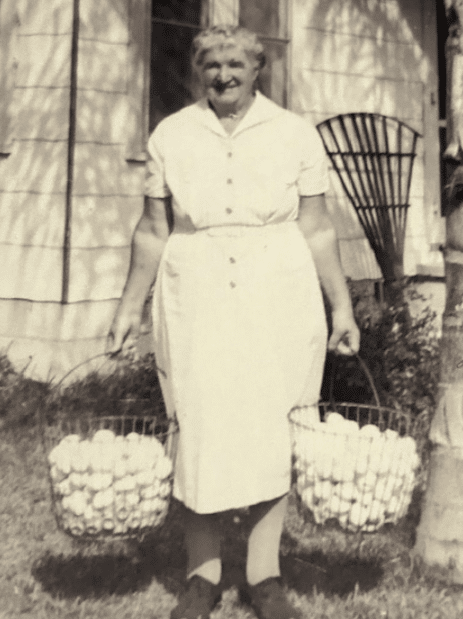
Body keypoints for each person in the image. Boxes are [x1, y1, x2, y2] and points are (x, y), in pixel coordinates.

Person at [107, 24, 360, 619]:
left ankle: (264, 576)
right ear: (199, 71)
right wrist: (126, 308)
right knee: (197, 421)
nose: (223, 75)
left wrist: (341, 305)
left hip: (280, 287)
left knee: (277, 419)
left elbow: (318, 228)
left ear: (257, 68)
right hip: (193, 289)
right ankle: (202, 574)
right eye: (212, 65)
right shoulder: (172, 133)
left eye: (235, 64)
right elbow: (152, 230)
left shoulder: (293, 133)